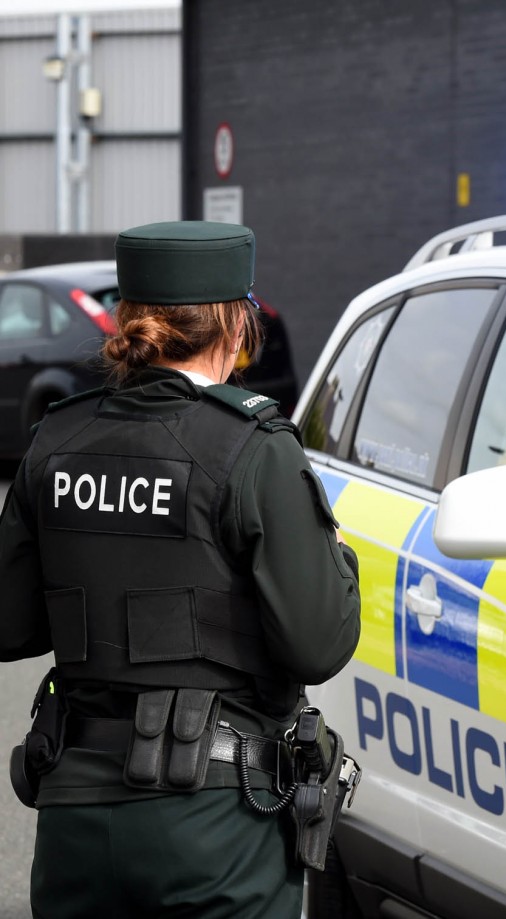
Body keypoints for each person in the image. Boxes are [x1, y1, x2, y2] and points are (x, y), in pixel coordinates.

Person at [0, 221, 362, 919]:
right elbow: (319, 643)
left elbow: (9, 621)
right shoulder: (253, 448)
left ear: (127, 320)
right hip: (217, 828)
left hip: (76, 822)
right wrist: (337, 557)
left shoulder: (57, 438)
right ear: (234, 326)